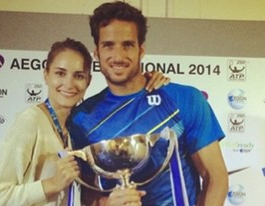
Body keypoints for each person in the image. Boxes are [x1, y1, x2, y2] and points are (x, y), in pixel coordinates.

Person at [68, 2, 228, 206]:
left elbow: (215, 177)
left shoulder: (183, 99)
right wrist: (106, 203)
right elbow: (84, 192)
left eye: (127, 44)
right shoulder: (82, 118)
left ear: (141, 50)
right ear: (97, 52)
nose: (118, 56)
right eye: (108, 45)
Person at [0, 38, 169, 206]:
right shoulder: (31, 121)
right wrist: (52, 184)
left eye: (78, 76)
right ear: (46, 75)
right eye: (60, 73)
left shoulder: (73, 127)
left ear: (88, 81)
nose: (69, 84)